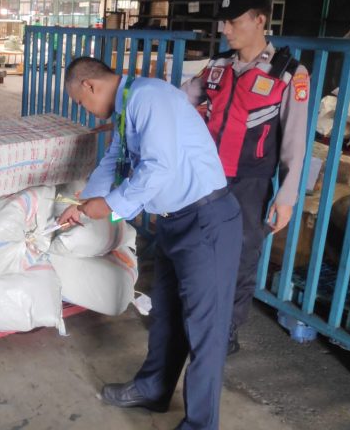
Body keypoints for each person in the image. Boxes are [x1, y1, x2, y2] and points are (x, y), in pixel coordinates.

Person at [58, 57, 242, 430]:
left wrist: (110, 206)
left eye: (79, 101)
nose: (85, 109)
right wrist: (84, 204)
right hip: (176, 222)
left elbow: (159, 167)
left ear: (90, 85)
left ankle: (201, 425)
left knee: (204, 332)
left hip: (206, 223)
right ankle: (154, 389)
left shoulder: (149, 98)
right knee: (166, 315)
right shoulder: (130, 104)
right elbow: (117, 158)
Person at [182, 0, 309, 355]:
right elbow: (181, 100)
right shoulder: (217, 67)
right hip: (205, 180)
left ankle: (226, 331)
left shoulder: (289, 74)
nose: (225, 29)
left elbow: (295, 143)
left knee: (240, 257)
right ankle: (193, 319)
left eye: (233, 21)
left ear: (259, 20)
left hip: (249, 185)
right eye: (223, 21)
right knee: (196, 249)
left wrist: (286, 197)